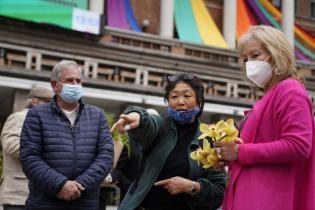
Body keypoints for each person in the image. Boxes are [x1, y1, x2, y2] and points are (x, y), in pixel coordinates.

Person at [213, 25, 315, 210]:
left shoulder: (290, 90)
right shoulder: (273, 94)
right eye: (245, 59)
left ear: (277, 53)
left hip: (268, 199)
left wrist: (239, 153)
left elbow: (299, 146)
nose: (248, 63)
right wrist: (229, 157)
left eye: (255, 55)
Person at [112, 73, 226, 210]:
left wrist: (191, 186)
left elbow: (219, 191)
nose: (180, 101)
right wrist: (137, 116)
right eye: (174, 96)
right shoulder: (161, 126)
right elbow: (149, 123)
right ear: (167, 101)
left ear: (199, 101)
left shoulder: (208, 139)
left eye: (187, 96)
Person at [20, 60, 114, 210]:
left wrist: (80, 185)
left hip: (85, 202)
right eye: (69, 80)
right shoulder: (37, 115)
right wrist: (60, 185)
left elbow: (106, 155)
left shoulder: (97, 115)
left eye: (78, 81)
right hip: (45, 202)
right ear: (54, 85)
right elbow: (30, 157)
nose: (75, 85)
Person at [0, 86, 52, 210]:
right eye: (48, 102)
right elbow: (11, 146)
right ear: (35, 102)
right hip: (19, 196)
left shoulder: (47, 122)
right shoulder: (18, 118)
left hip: (40, 196)